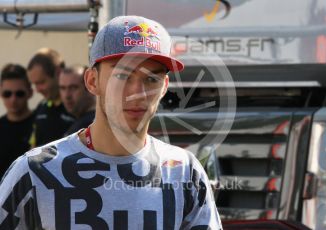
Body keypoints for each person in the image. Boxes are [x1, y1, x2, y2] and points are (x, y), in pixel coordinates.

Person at [0, 16, 222, 229]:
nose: (138, 92)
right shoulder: (35, 171)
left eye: (151, 79)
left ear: (164, 86)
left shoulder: (184, 172)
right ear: (92, 81)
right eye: (123, 76)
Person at [27, 48, 75, 147]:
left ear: (58, 72)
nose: (37, 90)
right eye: (34, 84)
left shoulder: (77, 107)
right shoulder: (41, 107)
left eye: (41, 82)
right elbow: (33, 147)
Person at [0, 64, 34, 178]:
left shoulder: (41, 124)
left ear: (30, 92)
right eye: (7, 94)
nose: (13, 99)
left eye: (19, 94)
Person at [59, 65, 95, 136]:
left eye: (73, 88)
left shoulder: (92, 125)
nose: (67, 95)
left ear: (90, 87)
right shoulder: (80, 123)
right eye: (63, 88)